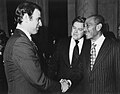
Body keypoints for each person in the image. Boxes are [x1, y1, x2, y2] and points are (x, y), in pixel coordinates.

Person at [3, 1, 70, 94]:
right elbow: (39, 80)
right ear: (26, 18)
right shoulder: (20, 43)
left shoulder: (21, 39)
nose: (41, 23)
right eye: (38, 19)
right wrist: (61, 86)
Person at [47, 16, 90, 94]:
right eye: (74, 28)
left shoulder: (89, 45)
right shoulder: (62, 43)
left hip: (82, 90)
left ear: (85, 31)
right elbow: (53, 65)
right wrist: (51, 85)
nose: (75, 31)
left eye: (79, 29)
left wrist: (70, 82)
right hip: (62, 89)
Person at [84, 14, 120, 94]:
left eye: (88, 26)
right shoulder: (85, 47)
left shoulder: (115, 46)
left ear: (98, 27)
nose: (84, 29)